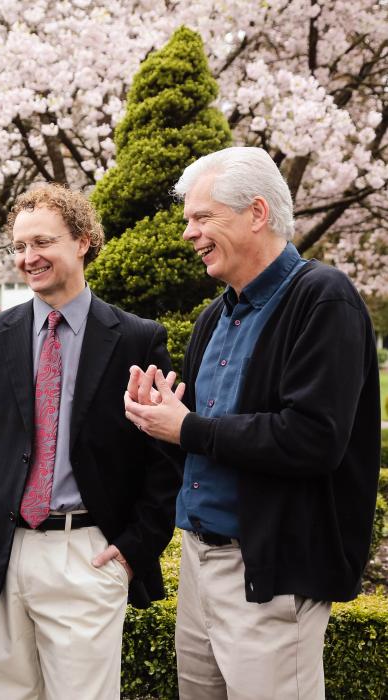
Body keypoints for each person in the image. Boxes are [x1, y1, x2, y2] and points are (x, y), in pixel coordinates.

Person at [123, 146, 381, 699]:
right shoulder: (214, 315)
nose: (189, 233)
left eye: (202, 217)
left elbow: (314, 438)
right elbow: (194, 445)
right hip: (198, 562)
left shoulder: (323, 298)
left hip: (271, 569)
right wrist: (155, 418)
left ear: (257, 213)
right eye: (188, 220)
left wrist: (186, 427)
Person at [0, 184, 181, 699]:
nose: (29, 258)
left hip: (86, 554)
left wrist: (134, 549)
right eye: (20, 247)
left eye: (42, 242)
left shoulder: (138, 337)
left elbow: (163, 459)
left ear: (84, 241)